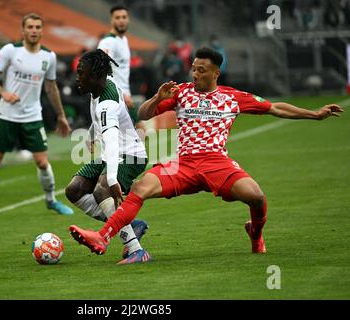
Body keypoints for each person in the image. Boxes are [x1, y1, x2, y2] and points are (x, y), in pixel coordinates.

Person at [68, 47, 344, 257]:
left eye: (201, 70)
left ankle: (256, 234)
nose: (195, 74)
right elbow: (143, 113)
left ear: (215, 73)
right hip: (184, 164)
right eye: (194, 69)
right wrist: (157, 99)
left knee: (257, 197)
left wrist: (314, 114)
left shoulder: (232, 97)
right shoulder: (181, 92)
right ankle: (102, 237)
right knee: (140, 186)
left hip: (217, 163)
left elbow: (275, 107)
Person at [0, 13, 73, 221]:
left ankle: (51, 200)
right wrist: (3, 93)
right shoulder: (10, 51)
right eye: (30, 27)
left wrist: (61, 115)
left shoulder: (49, 57)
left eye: (38, 27)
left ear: (42, 30)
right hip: (7, 115)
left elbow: (51, 87)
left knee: (42, 162)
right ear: (23, 30)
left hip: (32, 116)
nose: (34, 30)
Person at [65, 49, 151, 265]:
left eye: (81, 72)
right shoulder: (102, 84)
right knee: (74, 190)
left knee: (102, 190)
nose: (78, 77)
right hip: (111, 153)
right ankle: (130, 226)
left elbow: (113, 143)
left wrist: (112, 180)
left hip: (130, 155)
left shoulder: (107, 104)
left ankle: (136, 251)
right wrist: (92, 134)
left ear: (94, 76)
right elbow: (102, 124)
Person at [96, 4, 144, 133]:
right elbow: (100, 70)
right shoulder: (107, 42)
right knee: (138, 133)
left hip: (125, 97)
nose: (121, 20)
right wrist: (120, 93)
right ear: (111, 20)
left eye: (124, 17)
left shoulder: (123, 39)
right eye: (117, 17)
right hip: (114, 97)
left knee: (137, 135)